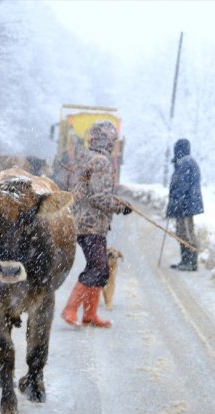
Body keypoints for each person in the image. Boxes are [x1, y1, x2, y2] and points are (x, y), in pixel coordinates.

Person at [61, 120, 132, 328]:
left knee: (101, 269)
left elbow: (84, 189)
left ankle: (90, 315)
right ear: (107, 140)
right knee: (98, 267)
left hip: (82, 221)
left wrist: (114, 199)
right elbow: (98, 197)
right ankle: (71, 309)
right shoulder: (102, 162)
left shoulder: (83, 157)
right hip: (91, 223)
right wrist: (121, 207)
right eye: (113, 140)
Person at [166, 138, 203, 271]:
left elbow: (182, 187)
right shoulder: (184, 163)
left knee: (186, 233)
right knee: (182, 232)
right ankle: (185, 260)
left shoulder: (186, 164)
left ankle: (191, 262)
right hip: (183, 205)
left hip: (185, 206)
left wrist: (177, 203)